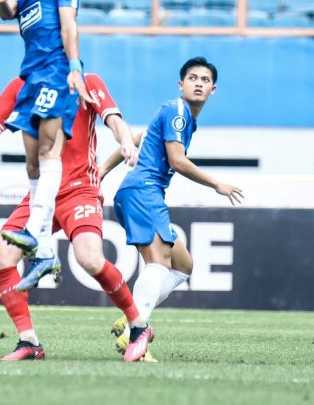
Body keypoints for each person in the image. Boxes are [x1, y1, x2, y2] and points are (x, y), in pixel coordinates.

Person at [0, 72, 139, 361]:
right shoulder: (22, 85)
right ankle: (29, 341)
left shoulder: (87, 81)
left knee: (89, 259)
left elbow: (114, 120)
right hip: (41, 194)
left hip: (80, 188)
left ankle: (138, 324)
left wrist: (126, 141)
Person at [99, 56, 245, 362]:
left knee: (183, 266)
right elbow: (177, 161)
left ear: (213, 89)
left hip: (138, 192)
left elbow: (135, 140)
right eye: (192, 78)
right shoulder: (177, 110)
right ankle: (136, 334)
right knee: (159, 263)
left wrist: (101, 172)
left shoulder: (180, 116)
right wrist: (217, 184)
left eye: (205, 80)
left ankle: (131, 319)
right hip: (143, 191)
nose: (198, 83)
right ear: (181, 84)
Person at [0, 0, 104, 287]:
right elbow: (9, 12)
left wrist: (74, 67)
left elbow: (70, 24)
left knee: (47, 148)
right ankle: (43, 252)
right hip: (31, 76)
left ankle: (35, 232)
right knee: (32, 161)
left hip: (56, 69)